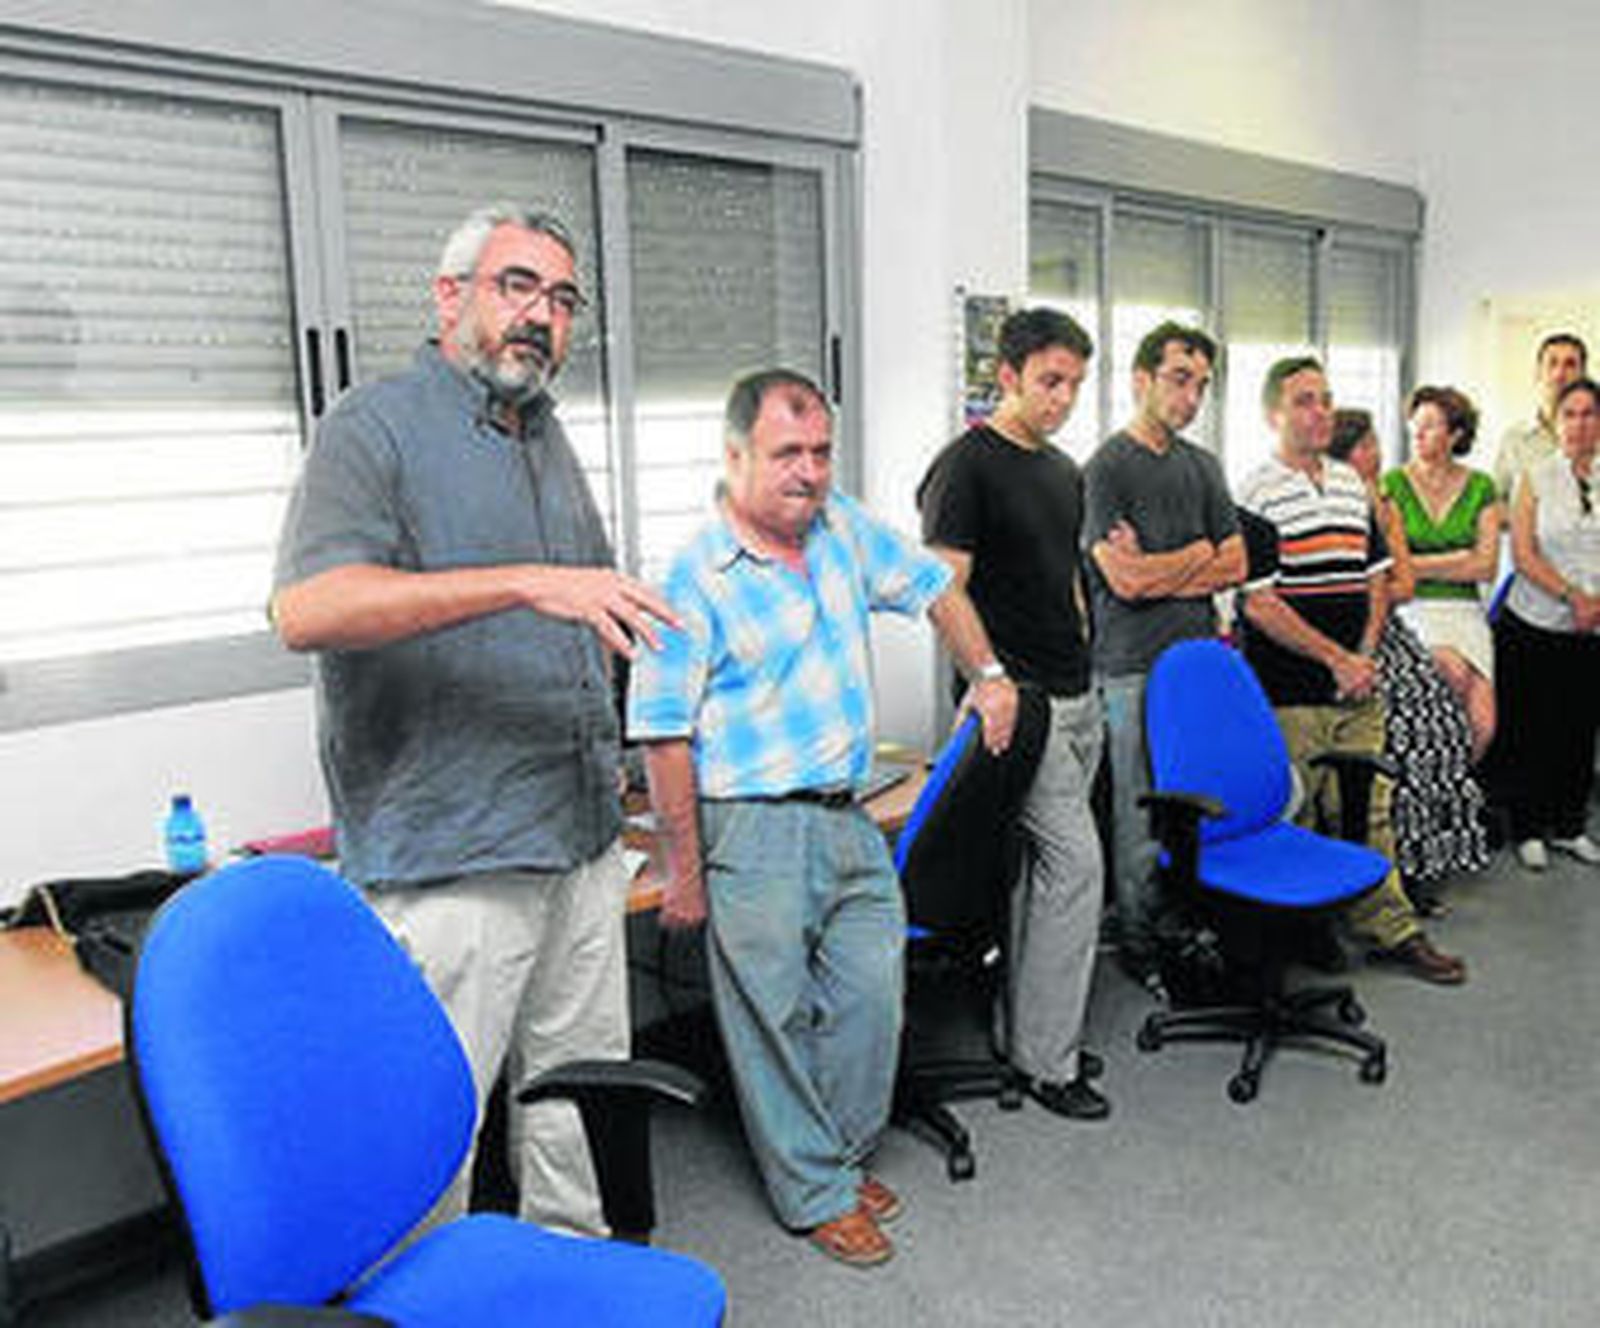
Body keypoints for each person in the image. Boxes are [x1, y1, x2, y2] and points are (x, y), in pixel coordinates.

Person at [272, 203, 678, 1235]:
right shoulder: (372, 426)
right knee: (430, 1145)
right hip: (455, 855)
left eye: (561, 298)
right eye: (516, 286)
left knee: (578, 1120)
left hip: (580, 840)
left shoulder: (546, 435)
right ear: (451, 297)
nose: (540, 315)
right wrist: (519, 582)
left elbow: (579, 613)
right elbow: (307, 611)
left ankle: (565, 1291)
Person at [628, 369, 1018, 1268]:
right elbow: (661, 737)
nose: (807, 472)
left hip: (848, 815)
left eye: (819, 451)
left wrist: (989, 676)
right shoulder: (692, 579)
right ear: (734, 458)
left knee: (867, 1003)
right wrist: (684, 869)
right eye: (785, 454)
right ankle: (813, 1193)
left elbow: (933, 586)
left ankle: (834, 1159)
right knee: (771, 1019)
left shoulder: (841, 527)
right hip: (751, 827)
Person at [917, 306, 1112, 1121]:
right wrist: (991, 678)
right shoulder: (965, 467)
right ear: (1007, 376)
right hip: (1017, 704)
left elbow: (1064, 578)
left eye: (1074, 383)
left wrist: (1086, 658)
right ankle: (1047, 1063)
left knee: (1042, 877)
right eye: (1049, 382)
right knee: (1078, 867)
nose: (1063, 399)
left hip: (1077, 693)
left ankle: (1028, 1031)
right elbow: (940, 586)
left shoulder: (1065, 471)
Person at [1236, 356, 1465, 985]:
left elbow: (1376, 580)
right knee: (1302, 811)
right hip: (1290, 689)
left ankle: (1393, 929)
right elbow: (1258, 602)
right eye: (1305, 400)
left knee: (1373, 809)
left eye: (1326, 399)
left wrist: (1361, 657)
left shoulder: (1349, 484)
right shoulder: (1252, 491)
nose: (1321, 412)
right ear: (1272, 414)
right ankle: (1309, 932)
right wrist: (1335, 659)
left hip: (1357, 682)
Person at [1081, 321, 1244, 992]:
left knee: (1198, 808)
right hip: (1131, 666)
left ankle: (1191, 927)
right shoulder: (1105, 469)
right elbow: (1125, 583)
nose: (1190, 397)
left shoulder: (1202, 465)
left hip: (1199, 665)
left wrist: (1163, 564)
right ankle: (1145, 946)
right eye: (1180, 380)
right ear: (1141, 379)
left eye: (1201, 385)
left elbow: (1235, 560)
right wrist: (1195, 557)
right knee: (1143, 819)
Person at [1331, 408, 1489, 910]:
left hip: (1387, 629)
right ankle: (1376, 864)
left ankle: (1422, 862)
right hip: (1334, 632)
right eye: (1366, 446)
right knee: (1397, 729)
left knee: (1440, 721)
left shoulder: (1385, 506)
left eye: (1376, 443)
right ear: (1344, 455)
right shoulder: (1326, 504)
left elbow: (1403, 583)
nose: (1378, 454)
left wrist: (1372, 589)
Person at [1494, 376, 1600, 871]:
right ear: (1556, 424)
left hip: (1592, 628)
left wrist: (1594, 604)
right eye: (1570, 415)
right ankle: (1529, 828)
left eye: (1589, 414)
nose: (1580, 425)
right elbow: (1523, 553)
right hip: (1535, 621)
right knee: (1531, 730)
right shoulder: (1534, 477)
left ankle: (1571, 826)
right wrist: (1572, 595)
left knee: (1578, 730)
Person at [1381, 386, 1499, 762]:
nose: (1418, 433)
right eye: (1415, 424)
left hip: (1466, 612)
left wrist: (1413, 561)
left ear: (1455, 434)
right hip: (1412, 607)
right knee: (1452, 671)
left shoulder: (1482, 486)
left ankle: (1450, 791)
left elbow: (1486, 566)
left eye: (1430, 425)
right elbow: (1388, 568)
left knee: (1483, 724)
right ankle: (1429, 792)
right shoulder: (1392, 485)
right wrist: (1456, 559)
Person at [1493, 332, 1588, 504]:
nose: (1559, 374)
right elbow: (1494, 504)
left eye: (1570, 365)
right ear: (1537, 373)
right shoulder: (1513, 439)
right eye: (1552, 363)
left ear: (1583, 375)